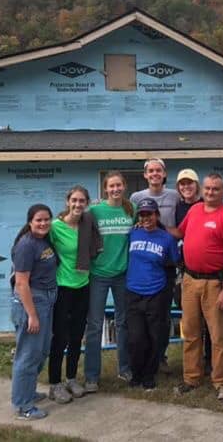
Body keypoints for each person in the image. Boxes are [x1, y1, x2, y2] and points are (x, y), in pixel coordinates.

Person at [174, 173, 223, 400]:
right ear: (202, 190)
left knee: (218, 336)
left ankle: (221, 381)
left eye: (216, 189)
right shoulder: (194, 210)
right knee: (191, 333)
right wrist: (152, 223)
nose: (210, 192)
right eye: (207, 188)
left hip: (215, 283)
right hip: (189, 280)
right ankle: (191, 378)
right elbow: (179, 233)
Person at [47, 186, 103, 404]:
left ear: (87, 203)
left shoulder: (87, 224)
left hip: (83, 284)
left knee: (77, 336)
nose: (78, 204)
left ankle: (71, 378)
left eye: (82, 201)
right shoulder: (54, 227)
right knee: (59, 337)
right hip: (62, 287)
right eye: (74, 200)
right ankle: (55, 383)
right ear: (67, 201)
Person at [85, 171, 135, 392]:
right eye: (111, 186)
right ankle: (91, 377)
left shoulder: (130, 210)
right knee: (95, 326)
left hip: (122, 274)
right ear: (105, 189)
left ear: (124, 187)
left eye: (119, 185)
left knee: (124, 323)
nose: (115, 189)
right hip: (98, 275)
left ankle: (125, 368)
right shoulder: (95, 211)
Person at [130, 158, 180, 374]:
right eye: (150, 171)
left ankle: (160, 357)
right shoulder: (136, 198)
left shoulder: (175, 195)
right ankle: (144, 360)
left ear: (164, 173)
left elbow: (181, 224)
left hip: (166, 257)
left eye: (158, 170)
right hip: (144, 261)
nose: (154, 174)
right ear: (145, 174)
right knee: (140, 325)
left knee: (162, 316)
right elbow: (132, 224)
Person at [126, 198, 180, 390]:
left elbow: (174, 260)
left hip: (156, 291)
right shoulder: (132, 234)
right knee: (135, 337)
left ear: (157, 215)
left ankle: (149, 374)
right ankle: (136, 372)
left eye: (149, 214)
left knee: (155, 336)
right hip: (133, 291)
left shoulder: (166, 238)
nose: (146, 218)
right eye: (142, 214)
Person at [10, 204, 58, 420]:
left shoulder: (43, 241)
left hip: (46, 300)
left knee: (41, 351)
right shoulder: (26, 245)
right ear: (30, 222)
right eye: (39, 220)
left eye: (47, 219)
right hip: (32, 303)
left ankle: (27, 391)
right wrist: (31, 315)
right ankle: (23, 406)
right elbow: (21, 283)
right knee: (28, 355)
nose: (43, 223)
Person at [173, 168, 211, 374]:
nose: (186, 187)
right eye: (182, 184)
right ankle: (193, 365)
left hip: (208, 273)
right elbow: (178, 232)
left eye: (190, 183)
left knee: (209, 321)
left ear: (197, 185)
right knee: (191, 322)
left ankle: (210, 362)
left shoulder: (206, 205)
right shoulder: (177, 207)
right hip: (184, 271)